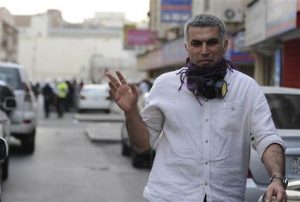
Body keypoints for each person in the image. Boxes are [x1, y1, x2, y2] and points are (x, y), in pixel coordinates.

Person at [106, 14, 287, 202]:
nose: (204, 50)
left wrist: (276, 178)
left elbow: (267, 137)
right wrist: (131, 112)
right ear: (187, 48)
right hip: (167, 197)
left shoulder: (247, 88)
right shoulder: (164, 85)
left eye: (212, 42)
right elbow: (142, 144)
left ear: (225, 45)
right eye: (196, 44)